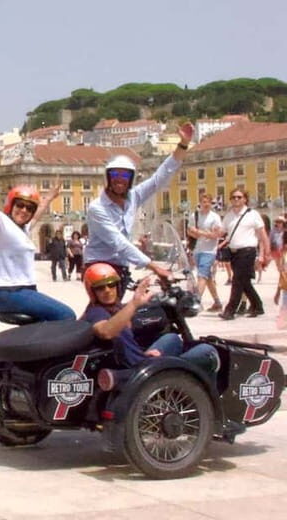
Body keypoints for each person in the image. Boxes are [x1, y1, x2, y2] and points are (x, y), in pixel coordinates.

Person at [84, 123, 195, 296]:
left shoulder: (133, 197)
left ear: (131, 178)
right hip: (99, 266)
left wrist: (183, 144)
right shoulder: (97, 208)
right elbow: (118, 242)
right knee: (109, 313)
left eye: (125, 175)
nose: (119, 179)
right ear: (108, 177)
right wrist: (154, 267)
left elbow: (160, 178)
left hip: (120, 266)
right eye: (115, 175)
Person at [0, 169, 75, 321]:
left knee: (44, 321)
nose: (24, 210)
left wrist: (51, 196)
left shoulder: (23, 228)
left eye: (29, 208)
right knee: (66, 315)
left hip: (23, 291)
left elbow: (39, 209)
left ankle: (33, 344)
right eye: (20, 205)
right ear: (11, 205)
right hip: (8, 292)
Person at [81, 263, 219, 373]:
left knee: (172, 338)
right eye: (100, 287)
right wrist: (134, 304)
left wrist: (142, 353)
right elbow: (106, 331)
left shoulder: (113, 309)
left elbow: (124, 345)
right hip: (139, 370)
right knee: (207, 352)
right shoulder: (96, 312)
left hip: (139, 360)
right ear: (92, 291)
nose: (107, 290)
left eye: (111, 284)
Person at [218, 187, 270, 320]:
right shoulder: (229, 216)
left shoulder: (253, 214)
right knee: (244, 282)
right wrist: (204, 234)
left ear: (245, 199)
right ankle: (258, 306)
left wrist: (266, 253)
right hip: (234, 253)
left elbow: (263, 235)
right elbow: (221, 233)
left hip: (247, 252)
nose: (236, 199)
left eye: (239, 197)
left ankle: (230, 311)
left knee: (237, 280)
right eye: (233, 197)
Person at [187, 193, 224, 312]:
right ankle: (217, 302)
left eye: (208, 202)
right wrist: (205, 233)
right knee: (207, 278)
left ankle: (196, 302)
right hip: (197, 249)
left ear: (211, 203)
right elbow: (190, 232)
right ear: (200, 203)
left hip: (209, 250)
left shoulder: (215, 217)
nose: (206, 204)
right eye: (204, 202)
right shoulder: (195, 216)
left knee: (201, 275)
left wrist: (200, 232)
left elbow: (216, 235)